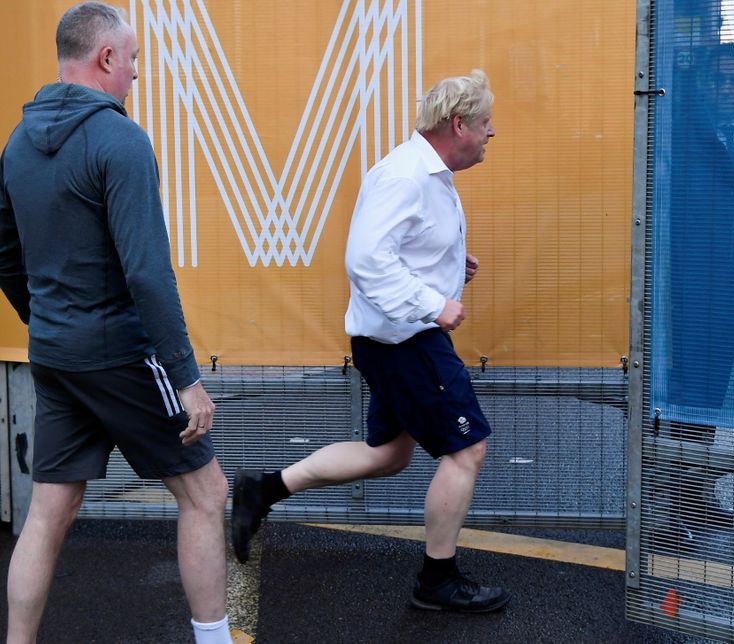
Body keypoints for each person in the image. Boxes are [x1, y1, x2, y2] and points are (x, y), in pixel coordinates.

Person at [231, 70, 510, 614]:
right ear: (458, 124)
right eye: (484, 122)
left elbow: (400, 250)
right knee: (467, 449)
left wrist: (449, 265)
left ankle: (262, 489)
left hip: (395, 339)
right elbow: (365, 260)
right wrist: (433, 302)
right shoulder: (406, 176)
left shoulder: (429, 174)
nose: (490, 132)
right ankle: (437, 581)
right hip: (407, 342)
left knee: (387, 455)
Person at [0, 4, 231, 642]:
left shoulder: (18, 142)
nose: (135, 73)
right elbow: (148, 274)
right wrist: (186, 378)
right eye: (132, 60)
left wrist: (49, 320)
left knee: (49, 508)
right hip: (120, 354)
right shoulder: (120, 139)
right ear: (105, 58)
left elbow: (4, 254)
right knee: (206, 494)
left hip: (55, 353)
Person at [663, 42, 734, 543]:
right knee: (684, 399)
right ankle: (670, 509)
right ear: (702, 84)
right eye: (721, 80)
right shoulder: (682, 134)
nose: (731, 90)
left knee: (707, 400)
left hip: (729, 289)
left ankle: (693, 500)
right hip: (689, 292)